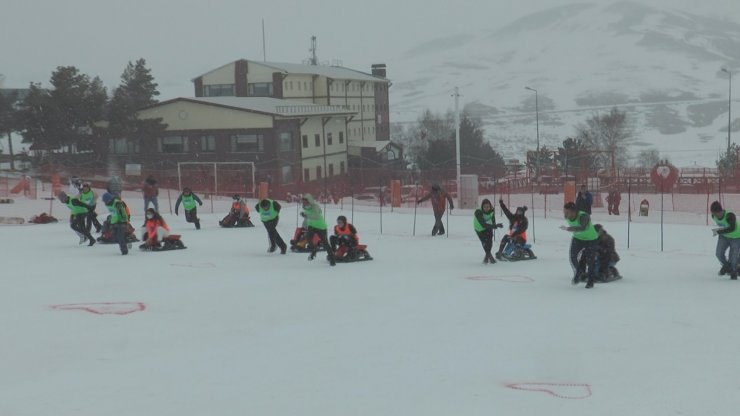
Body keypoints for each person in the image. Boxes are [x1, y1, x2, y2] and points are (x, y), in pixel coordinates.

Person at [560, 201, 599, 288]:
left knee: (590, 260)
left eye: (567, 212)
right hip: (578, 239)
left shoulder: (583, 216)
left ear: (574, 212)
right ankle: (580, 271)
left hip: (591, 239)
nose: (565, 214)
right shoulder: (568, 217)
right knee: (573, 257)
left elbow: (583, 228)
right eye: (564, 211)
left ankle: (590, 281)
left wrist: (568, 228)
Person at [301, 193, 335, 266]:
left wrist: (306, 215)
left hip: (321, 226)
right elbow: (308, 215)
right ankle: (314, 250)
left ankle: (332, 259)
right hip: (311, 226)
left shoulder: (315, 206)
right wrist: (303, 214)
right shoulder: (305, 207)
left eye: (305, 201)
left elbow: (316, 216)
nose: (304, 203)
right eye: (303, 201)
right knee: (308, 238)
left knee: (325, 243)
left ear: (309, 200)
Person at [710, 201, 740, 280]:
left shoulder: (730, 216)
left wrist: (718, 231)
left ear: (721, 211)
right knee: (719, 254)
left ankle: (734, 272)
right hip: (724, 237)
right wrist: (720, 233)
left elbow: (732, 228)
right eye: (714, 213)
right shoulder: (713, 216)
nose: (716, 215)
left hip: (736, 237)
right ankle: (727, 266)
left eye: (717, 213)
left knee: (733, 257)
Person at [473, 199, 503, 264]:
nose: (486, 208)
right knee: (484, 242)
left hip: (488, 226)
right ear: (482, 207)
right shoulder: (478, 212)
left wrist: (496, 225)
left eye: (488, 206)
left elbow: (493, 220)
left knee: (489, 241)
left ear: (490, 206)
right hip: (479, 228)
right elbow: (483, 224)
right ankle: (490, 256)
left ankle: (487, 256)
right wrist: (495, 226)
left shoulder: (492, 211)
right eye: (484, 207)